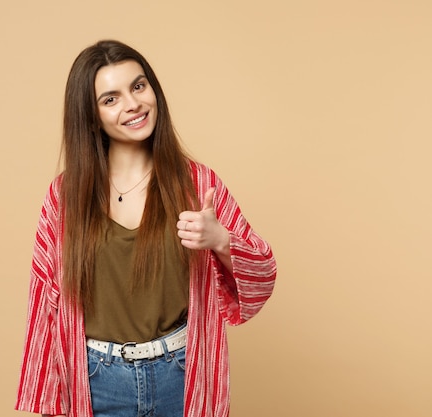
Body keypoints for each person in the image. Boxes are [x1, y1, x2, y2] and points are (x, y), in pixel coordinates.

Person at [15, 40, 277, 417]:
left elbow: (263, 276)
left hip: (182, 377)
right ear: (91, 117)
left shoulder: (197, 183)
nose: (133, 103)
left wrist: (220, 240)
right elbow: (45, 304)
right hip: (96, 381)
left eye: (138, 86)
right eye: (111, 98)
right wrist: (51, 400)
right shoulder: (65, 197)